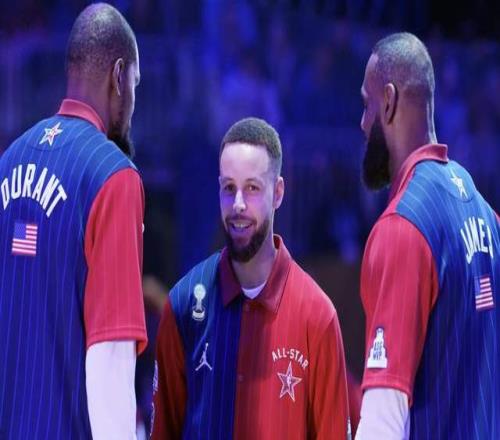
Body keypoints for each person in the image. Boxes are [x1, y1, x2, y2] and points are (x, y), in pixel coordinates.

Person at [0, 3, 147, 438]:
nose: (133, 102)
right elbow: (110, 356)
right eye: (135, 84)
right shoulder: (114, 177)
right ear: (118, 76)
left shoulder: (8, 163)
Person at [151, 117, 350, 439]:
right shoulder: (184, 304)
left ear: (278, 193)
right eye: (229, 188)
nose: (238, 205)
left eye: (252, 188)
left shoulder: (317, 316)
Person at [355, 32, 499, 439]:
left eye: (366, 105)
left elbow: (384, 419)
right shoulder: (483, 211)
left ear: (388, 101)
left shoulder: (403, 227)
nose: (362, 123)